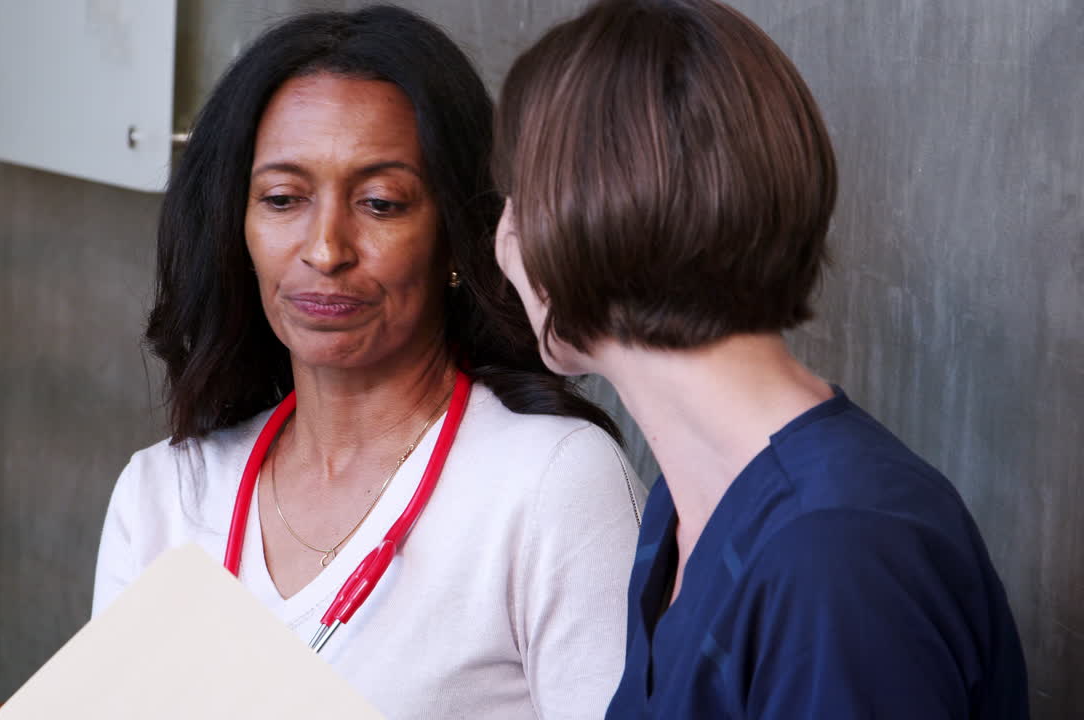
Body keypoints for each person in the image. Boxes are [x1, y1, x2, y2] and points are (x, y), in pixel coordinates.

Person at [92, 6, 644, 719]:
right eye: (284, 199)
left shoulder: (553, 484)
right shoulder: (164, 496)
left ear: (456, 234)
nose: (326, 250)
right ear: (238, 229)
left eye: (381, 204)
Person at [491, 0, 1029, 717]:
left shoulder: (839, 552)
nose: (504, 238)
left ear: (576, 219)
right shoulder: (679, 514)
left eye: (518, 201)